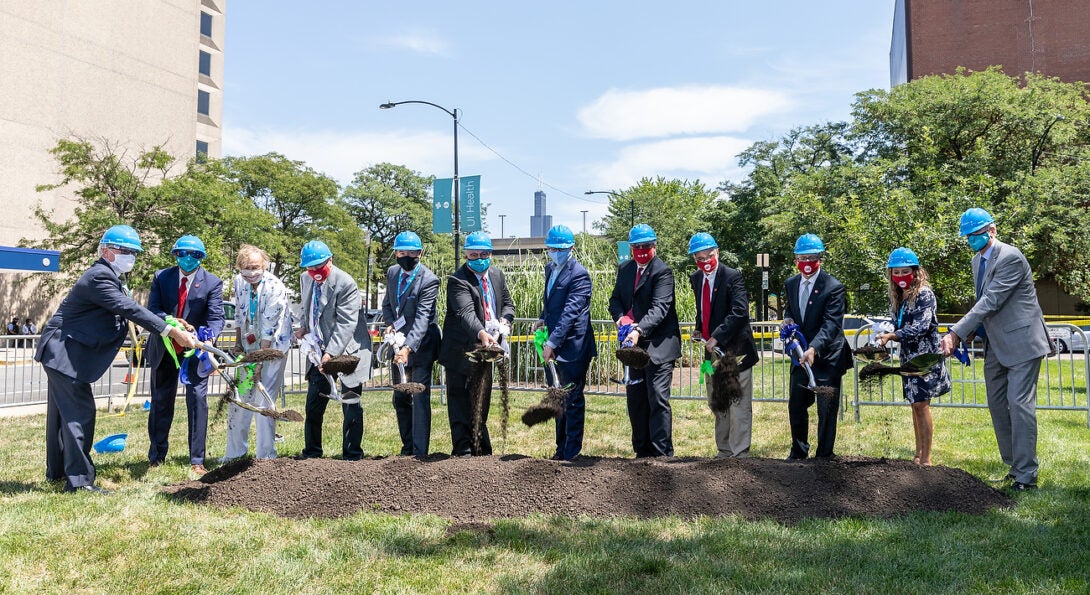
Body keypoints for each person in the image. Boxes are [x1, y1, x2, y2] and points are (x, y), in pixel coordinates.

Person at [34, 225, 198, 493]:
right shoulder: (100, 276)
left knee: (62, 416)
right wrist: (172, 332)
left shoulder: (112, 277)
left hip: (64, 352)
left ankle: (58, 472)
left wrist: (168, 320)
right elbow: (128, 309)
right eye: (126, 251)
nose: (131, 257)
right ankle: (79, 482)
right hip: (65, 352)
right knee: (79, 415)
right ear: (106, 251)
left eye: (134, 252)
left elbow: (128, 312)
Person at [940, 208, 1051, 490]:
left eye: (976, 234)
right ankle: (1015, 467)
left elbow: (991, 301)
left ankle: (1027, 476)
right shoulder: (977, 262)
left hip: (1023, 343)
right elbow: (984, 305)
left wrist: (955, 332)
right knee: (999, 406)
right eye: (968, 236)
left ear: (992, 230)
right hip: (995, 345)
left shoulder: (1011, 257)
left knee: (1019, 404)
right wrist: (970, 334)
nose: (972, 240)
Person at [146, 235, 224, 475]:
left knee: (198, 402)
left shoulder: (212, 282)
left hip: (195, 351)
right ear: (175, 255)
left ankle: (197, 459)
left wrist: (208, 338)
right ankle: (156, 456)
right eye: (182, 254)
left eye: (195, 255)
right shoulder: (161, 277)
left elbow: (215, 316)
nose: (188, 259)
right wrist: (171, 322)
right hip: (165, 347)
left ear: (202, 258)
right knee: (160, 402)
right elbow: (153, 311)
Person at [437, 232, 515, 456]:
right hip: (460, 349)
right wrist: (482, 333)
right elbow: (466, 314)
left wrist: (504, 322)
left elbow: (508, 304)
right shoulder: (458, 280)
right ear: (466, 255)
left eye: (483, 254)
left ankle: (481, 449)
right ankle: (463, 450)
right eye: (473, 255)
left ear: (490, 254)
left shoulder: (497, 276)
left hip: (486, 351)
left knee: (481, 399)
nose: (478, 259)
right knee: (460, 401)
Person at [608, 224, 682, 458]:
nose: (641, 250)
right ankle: (641, 453)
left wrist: (638, 329)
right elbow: (615, 300)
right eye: (637, 247)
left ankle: (662, 454)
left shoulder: (663, 272)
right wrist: (620, 318)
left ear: (654, 246)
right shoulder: (626, 269)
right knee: (636, 399)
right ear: (630, 248)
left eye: (646, 246)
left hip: (659, 345)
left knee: (657, 397)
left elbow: (659, 308)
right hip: (633, 348)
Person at [875, 247, 951, 466]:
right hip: (908, 356)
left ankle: (926, 459)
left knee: (922, 405)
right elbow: (898, 324)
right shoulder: (897, 296)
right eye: (896, 273)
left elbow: (920, 327)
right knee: (915, 404)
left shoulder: (924, 294)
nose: (900, 276)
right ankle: (917, 454)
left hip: (924, 357)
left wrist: (893, 335)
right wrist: (885, 333)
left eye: (904, 271)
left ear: (916, 271)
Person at [782, 233, 853, 460]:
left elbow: (831, 324)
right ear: (795, 260)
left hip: (828, 357)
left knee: (826, 410)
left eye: (812, 257)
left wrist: (813, 348)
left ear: (820, 259)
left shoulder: (833, 287)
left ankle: (824, 456)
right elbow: (791, 311)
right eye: (802, 258)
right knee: (796, 406)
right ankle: (798, 452)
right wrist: (788, 321)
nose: (807, 262)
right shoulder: (791, 284)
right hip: (801, 357)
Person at [296, 239, 369, 460]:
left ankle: (352, 454)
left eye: (320, 266)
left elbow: (347, 323)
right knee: (314, 405)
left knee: (351, 403)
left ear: (330, 260)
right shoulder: (305, 279)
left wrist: (331, 352)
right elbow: (307, 307)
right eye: (311, 268)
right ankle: (312, 452)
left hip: (348, 352)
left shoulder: (345, 282)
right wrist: (303, 327)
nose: (316, 271)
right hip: (319, 352)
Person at [688, 232, 759, 458]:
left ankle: (740, 455)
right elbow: (704, 307)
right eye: (699, 259)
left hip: (735, 351)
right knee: (717, 402)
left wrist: (717, 336)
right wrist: (700, 329)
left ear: (717, 252)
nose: (705, 262)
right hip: (711, 356)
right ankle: (724, 451)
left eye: (708, 256)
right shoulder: (696, 278)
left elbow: (739, 312)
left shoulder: (732, 276)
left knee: (737, 404)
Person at [222, 245, 292, 461]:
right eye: (246, 268)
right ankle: (234, 453)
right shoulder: (239, 282)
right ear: (239, 268)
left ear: (264, 266)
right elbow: (241, 312)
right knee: (241, 398)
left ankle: (266, 455)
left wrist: (261, 361)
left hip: (273, 348)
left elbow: (270, 326)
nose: (251, 272)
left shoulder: (275, 287)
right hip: (249, 347)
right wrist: (238, 343)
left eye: (255, 267)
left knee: (263, 400)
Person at [534, 224, 596, 461]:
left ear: (570, 248)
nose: (555, 252)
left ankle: (572, 451)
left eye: (560, 248)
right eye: (551, 248)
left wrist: (551, 343)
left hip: (573, 347)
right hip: (554, 343)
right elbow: (552, 303)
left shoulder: (579, 274)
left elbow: (571, 312)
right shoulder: (550, 268)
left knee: (572, 399)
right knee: (557, 397)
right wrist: (542, 319)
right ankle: (560, 449)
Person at [380, 231, 441, 457]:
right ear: (395, 253)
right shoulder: (393, 273)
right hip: (398, 345)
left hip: (421, 346)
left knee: (419, 396)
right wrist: (390, 325)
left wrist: (408, 348)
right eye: (401, 252)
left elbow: (423, 318)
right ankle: (406, 448)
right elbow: (387, 304)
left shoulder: (429, 279)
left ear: (420, 254)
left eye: (412, 253)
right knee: (400, 397)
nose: (406, 256)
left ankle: (419, 452)